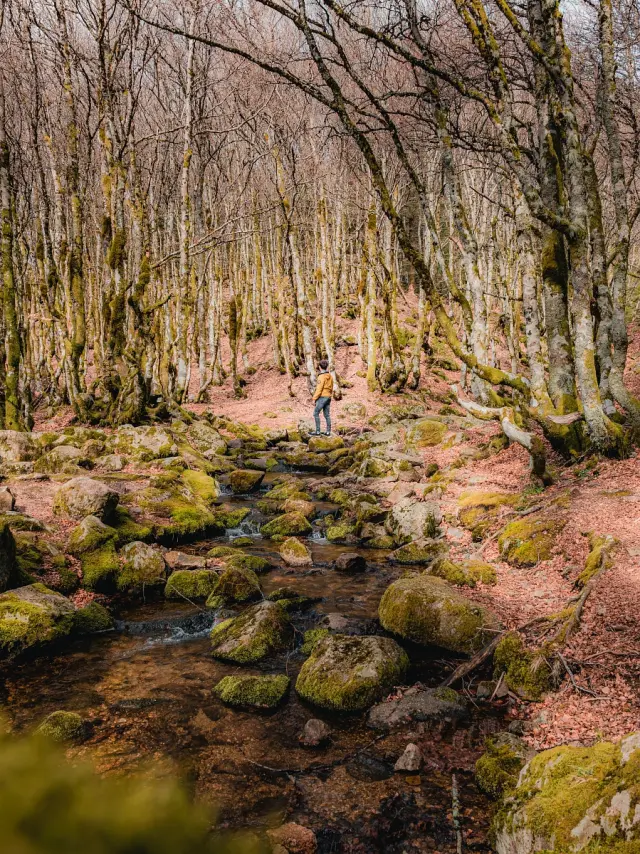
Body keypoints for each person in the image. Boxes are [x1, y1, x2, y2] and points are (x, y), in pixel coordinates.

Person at [312, 359, 333, 435]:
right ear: (327, 366)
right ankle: (328, 431)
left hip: (322, 397)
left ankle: (317, 431)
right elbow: (331, 387)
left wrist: (314, 399)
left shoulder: (321, 377)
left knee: (315, 413)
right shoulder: (330, 376)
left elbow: (319, 389)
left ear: (320, 367)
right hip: (328, 397)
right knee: (327, 415)